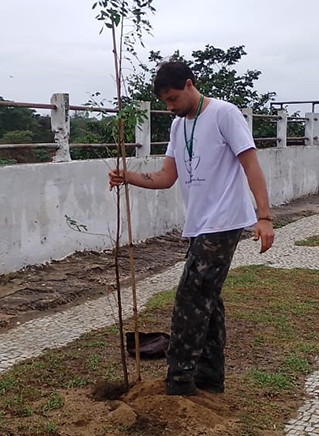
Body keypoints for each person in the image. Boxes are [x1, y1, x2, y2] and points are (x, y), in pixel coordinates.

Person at [108, 61, 275, 396]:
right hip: (199, 224)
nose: (170, 107)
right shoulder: (177, 127)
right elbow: (167, 178)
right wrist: (129, 177)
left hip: (225, 220)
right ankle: (210, 378)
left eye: (172, 99)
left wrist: (265, 216)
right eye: (165, 103)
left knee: (190, 295)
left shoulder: (225, 114)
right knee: (207, 298)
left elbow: (251, 164)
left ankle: (179, 382)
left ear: (188, 84)